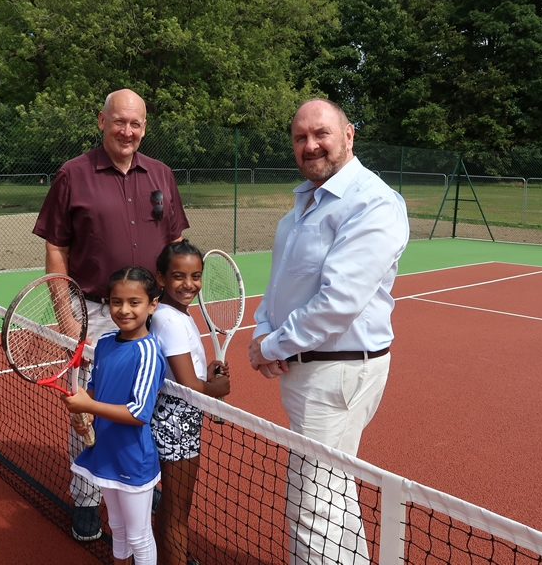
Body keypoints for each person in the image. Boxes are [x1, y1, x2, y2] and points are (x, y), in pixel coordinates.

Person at [247, 98, 409, 565]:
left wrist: (271, 346)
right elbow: (282, 286)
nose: (310, 145)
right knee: (332, 495)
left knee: (311, 510)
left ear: (349, 134)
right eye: (300, 137)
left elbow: (336, 304)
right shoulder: (303, 204)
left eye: (321, 133)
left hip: (335, 375)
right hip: (312, 370)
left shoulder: (372, 203)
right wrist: (263, 334)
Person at [32, 88, 189, 541]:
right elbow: (56, 247)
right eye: (119, 121)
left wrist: (176, 309)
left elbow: (176, 245)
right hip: (95, 312)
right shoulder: (73, 175)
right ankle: (85, 498)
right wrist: (68, 319)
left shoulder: (161, 174)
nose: (127, 131)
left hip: (156, 311)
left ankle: (144, 480)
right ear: (101, 120)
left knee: (154, 400)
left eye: (136, 123)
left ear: (145, 126)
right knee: (89, 408)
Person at [62, 266, 167, 565]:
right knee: (117, 528)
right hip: (104, 452)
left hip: (133, 458)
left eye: (134, 302)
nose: (124, 310)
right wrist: (84, 409)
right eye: (116, 301)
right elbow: (96, 389)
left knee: (139, 535)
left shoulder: (147, 352)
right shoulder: (106, 342)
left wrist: (90, 406)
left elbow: (138, 412)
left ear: (152, 304)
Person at [150, 240, 231, 565]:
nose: (189, 284)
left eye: (195, 276)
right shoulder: (169, 320)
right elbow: (189, 386)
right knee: (177, 510)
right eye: (179, 276)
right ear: (161, 277)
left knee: (171, 505)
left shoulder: (175, 313)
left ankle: (169, 556)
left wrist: (207, 374)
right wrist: (215, 387)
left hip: (176, 418)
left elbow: (186, 372)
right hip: (177, 423)